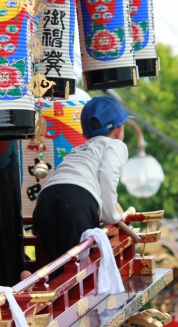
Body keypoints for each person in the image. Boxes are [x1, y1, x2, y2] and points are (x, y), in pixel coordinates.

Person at [32, 95, 140, 264]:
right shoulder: (115, 145)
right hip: (75, 202)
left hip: (45, 202)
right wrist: (111, 215)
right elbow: (108, 173)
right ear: (119, 129)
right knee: (76, 270)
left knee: (57, 269)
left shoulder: (79, 149)